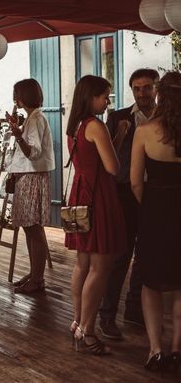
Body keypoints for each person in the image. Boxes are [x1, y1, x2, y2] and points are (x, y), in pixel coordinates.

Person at [65, 75, 127, 356]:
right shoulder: (96, 125)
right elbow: (112, 167)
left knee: (83, 263)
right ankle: (89, 333)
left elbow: (90, 158)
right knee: (101, 268)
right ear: (91, 97)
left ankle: (78, 321)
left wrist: (116, 138)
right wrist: (121, 139)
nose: (107, 101)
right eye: (104, 96)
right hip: (99, 196)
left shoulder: (74, 125)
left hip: (80, 194)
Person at [98, 68, 159, 339]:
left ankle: (134, 310)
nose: (142, 93)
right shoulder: (119, 117)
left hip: (157, 193)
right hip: (124, 193)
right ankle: (107, 315)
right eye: (137, 88)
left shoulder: (167, 118)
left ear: (156, 89)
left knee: (147, 254)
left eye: (147, 87)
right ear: (131, 89)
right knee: (120, 256)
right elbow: (106, 155)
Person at [130, 71, 181, 373]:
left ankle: (156, 350)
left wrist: (151, 206)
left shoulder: (146, 131)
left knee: (151, 284)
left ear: (161, 96)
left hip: (155, 214)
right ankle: (177, 349)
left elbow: (136, 182)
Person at [5, 79, 55, 294]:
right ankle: (35, 274)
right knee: (31, 228)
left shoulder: (35, 120)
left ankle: (37, 278)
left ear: (21, 97)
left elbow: (33, 152)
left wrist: (18, 136)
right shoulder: (33, 118)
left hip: (31, 177)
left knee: (34, 228)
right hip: (29, 176)